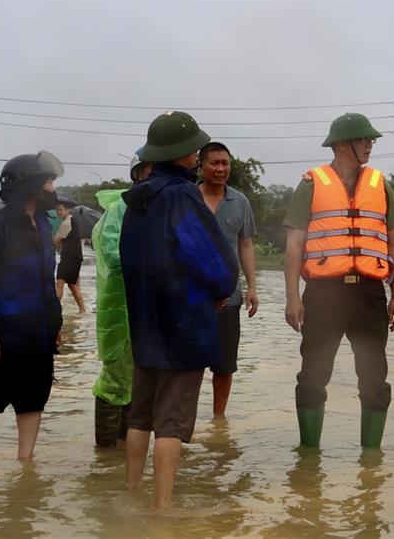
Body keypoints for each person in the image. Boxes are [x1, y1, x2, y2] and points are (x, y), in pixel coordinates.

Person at [120, 111, 237, 509]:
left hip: (145, 322)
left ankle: (131, 494)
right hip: (182, 324)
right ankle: (162, 512)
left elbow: (130, 261)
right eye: (195, 149)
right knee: (170, 423)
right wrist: (221, 287)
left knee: (140, 416)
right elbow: (208, 254)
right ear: (185, 154)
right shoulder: (182, 195)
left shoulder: (136, 200)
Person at [283, 113, 394, 450]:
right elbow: (294, 243)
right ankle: (308, 460)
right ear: (341, 144)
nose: (370, 144)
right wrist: (293, 297)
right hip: (324, 294)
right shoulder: (311, 183)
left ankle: (371, 461)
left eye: (371, 140)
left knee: (374, 380)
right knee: (312, 377)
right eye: (363, 139)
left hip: (369, 294)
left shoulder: (380, 185)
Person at [0, 151, 65, 463]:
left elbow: (46, 280)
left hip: (38, 331)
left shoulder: (44, 225)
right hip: (4, 334)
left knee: (33, 398)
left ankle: (26, 464)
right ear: (31, 185)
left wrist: (54, 326)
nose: (52, 188)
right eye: (48, 181)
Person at [91, 152, 153, 448]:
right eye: (151, 171)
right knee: (116, 379)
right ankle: (105, 457)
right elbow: (116, 256)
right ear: (138, 174)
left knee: (137, 382)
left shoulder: (156, 207)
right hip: (121, 309)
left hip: (146, 309)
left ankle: (121, 457)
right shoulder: (119, 209)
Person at [197, 142, 259, 419]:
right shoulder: (187, 198)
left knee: (224, 365)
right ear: (201, 166)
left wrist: (252, 288)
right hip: (190, 298)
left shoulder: (240, 201)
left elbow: (245, 245)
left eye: (225, 163)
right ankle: (184, 419)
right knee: (189, 363)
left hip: (229, 297)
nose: (221, 169)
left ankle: (218, 420)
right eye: (215, 163)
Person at [53, 199, 87, 313]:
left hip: (69, 258)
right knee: (72, 285)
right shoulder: (72, 220)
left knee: (60, 283)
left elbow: (56, 241)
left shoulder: (66, 223)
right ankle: (82, 310)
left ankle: (54, 311)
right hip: (75, 257)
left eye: (61, 210)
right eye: (57, 210)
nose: (58, 212)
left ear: (67, 210)